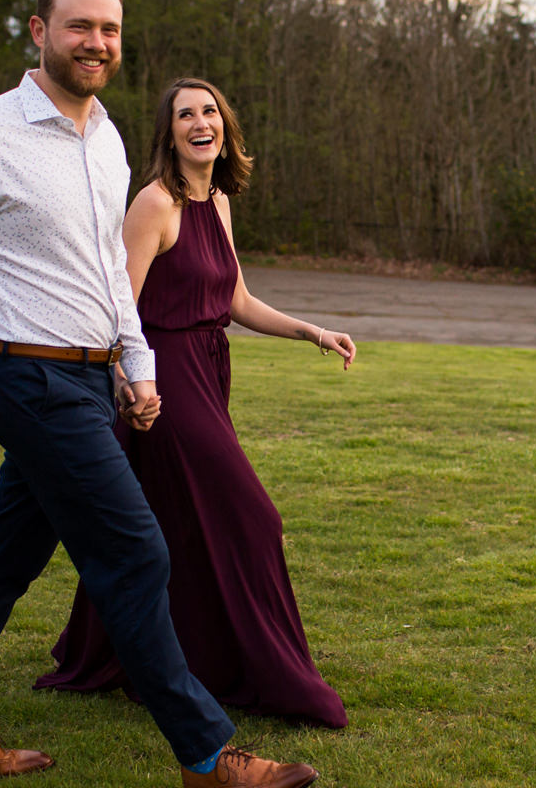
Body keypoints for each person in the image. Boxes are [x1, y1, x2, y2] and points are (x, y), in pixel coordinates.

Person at [0, 0, 317, 788]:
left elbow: (106, 275)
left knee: (5, 556)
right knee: (136, 552)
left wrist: (137, 367)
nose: (97, 43)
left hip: (92, 379)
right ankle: (208, 758)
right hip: (28, 376)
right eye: (80, 26)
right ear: (38, 31)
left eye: (110, 30)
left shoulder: (106, 139)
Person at [34, 77, 354, 729]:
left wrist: (312, 332)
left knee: (172, 526)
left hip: (209, 371)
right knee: (253, 518)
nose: (200, 122)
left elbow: (236, 301)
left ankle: (165, 658)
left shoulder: (219, 202)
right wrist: (128, 382)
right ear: (170, 132)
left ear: (225, 129)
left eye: (210, 112)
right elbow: (116, 307)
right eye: (186, 115)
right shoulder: (155, 203)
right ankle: (276, 676)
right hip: (166, 380)